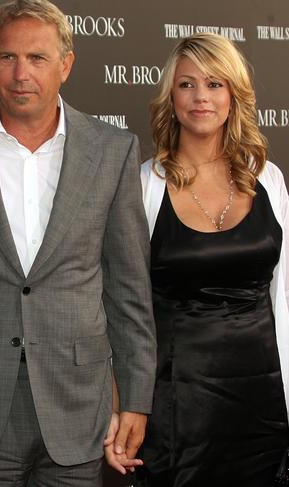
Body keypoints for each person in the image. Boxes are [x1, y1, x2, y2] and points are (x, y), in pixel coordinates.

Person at [0, 0, 157, 485]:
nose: (21, 73)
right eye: (8, 57)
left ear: (66, 64)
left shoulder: (112, 149)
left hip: (78, 403)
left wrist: (137, 398)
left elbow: (129, 287)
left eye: (37, 58)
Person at [137, 32, 289, 486]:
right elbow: (126, 304)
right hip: (178, 406)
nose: (201, 96)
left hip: (263, 401)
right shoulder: (146, 185)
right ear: (171, 98)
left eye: (214, 84)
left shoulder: (268, 179)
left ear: (233, 95)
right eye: (186, 85)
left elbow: (285, 295)